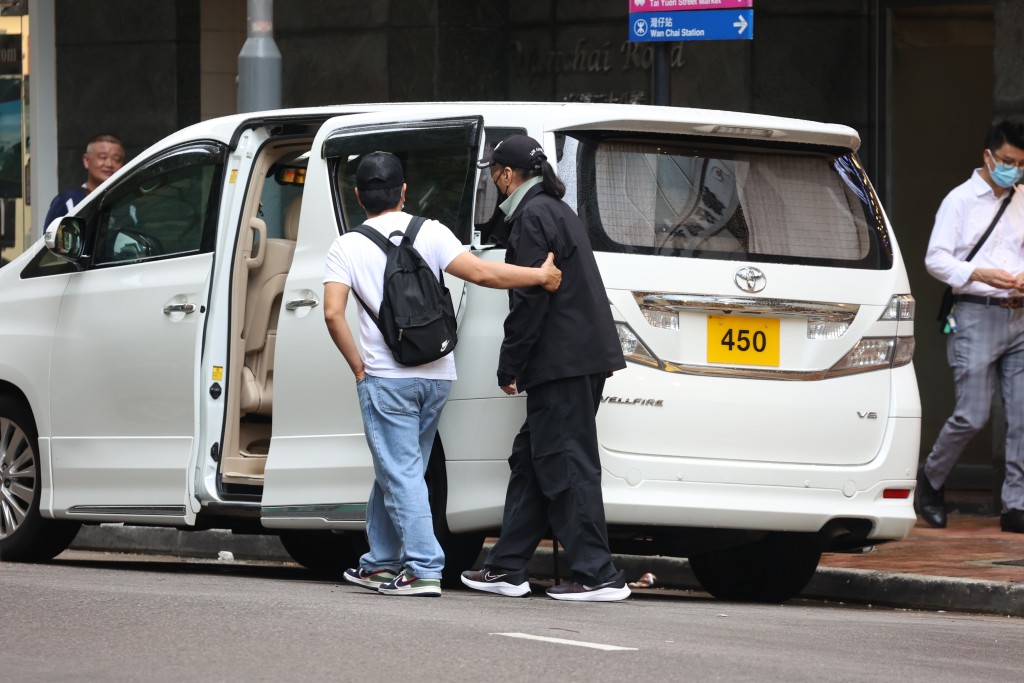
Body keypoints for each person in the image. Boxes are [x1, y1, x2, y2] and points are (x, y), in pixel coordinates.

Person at [323, 151, 562, 597]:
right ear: (404, 192)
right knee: (397, 467)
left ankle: (423, 566)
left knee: (401, 471)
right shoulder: (429, 232)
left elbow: (333, 314)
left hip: (386, 379)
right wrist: (538, 276)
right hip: (436, 374)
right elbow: (484, 274)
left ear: (358, 196)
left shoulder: (347, 246)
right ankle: (378, 562)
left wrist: (359, 367)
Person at [460, 134, 629, 601]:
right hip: (576, 360)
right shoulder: (555, 209)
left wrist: (508, 365)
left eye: (494, 174)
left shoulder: (531, 217)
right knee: (534, 461)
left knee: (566, 464)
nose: (494, 184)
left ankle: (598, 574)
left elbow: (529, 301)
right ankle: (507, 566)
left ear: (508, 175)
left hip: (562, 364)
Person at [920, 119, 1024, 534]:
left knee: (1022, 415)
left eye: (1020, 164)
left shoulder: (1021, 198)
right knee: (972, 415)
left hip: (1018, 314)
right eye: (1007, 161)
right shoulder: (959, 200)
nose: (1013, 170)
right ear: (987, 156)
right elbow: (935, 259)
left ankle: (1016, 505)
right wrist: (979, 273)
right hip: (975, 314)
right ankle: (931, 480)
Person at [43, 133, 126, 229]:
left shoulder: (127, 203)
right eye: (103, 157)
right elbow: (49, 240)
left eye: (116, 159)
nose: (109, 164)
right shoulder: (68, 202)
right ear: (86, 160)